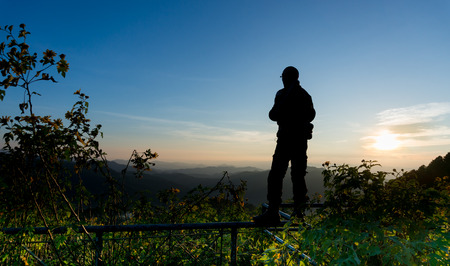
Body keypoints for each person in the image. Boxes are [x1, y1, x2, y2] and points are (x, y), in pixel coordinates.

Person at [253, 66, 315, 224]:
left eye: (283, 77)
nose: (282, 79)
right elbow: (310, 115)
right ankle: (295, 212)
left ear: (287, 77)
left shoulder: (285, 94)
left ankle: (277, 212)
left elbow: (273, 115)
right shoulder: (303, 94)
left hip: (289, 140)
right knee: (295, 176)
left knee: (279, 175)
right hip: (297, 141)